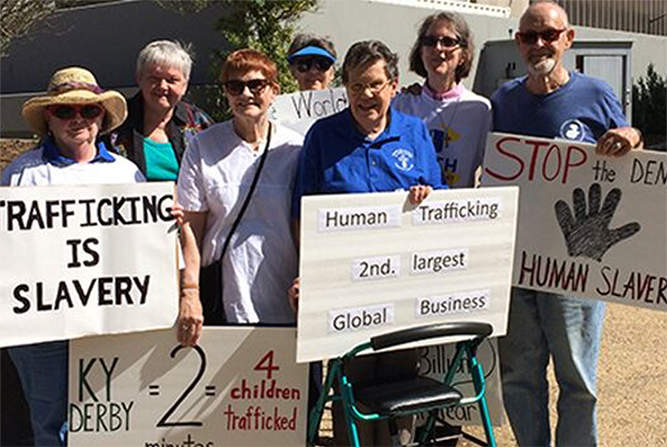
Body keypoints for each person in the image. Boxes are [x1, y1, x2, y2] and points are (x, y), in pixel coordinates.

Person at [491, 2, 643, 446]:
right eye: (529, 36)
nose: (539, 44)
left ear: (568, 39)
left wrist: (630, 136)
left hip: (575, 263)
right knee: (520, 374)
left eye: (549, 35)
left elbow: (631, 144)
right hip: (517, 261)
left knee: (577, 378)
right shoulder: (503, 100)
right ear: (518, 42)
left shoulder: (595, 93)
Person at [290, 40, 443, 447]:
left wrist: (429, 197)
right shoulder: (323, 136)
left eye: (375, 85)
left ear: (393, 85)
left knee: (401, 392)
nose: (366, 95)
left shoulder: (414, 133)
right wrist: (308, 275)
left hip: (404, 288)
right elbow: (301, 212)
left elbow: (441, 205)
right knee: (351, 391)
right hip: (345, 292)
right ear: (345, 89)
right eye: (356, 86)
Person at [2, 66, 144, 447]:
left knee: (110, 420)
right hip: (41, 327)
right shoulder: (21, 175)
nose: (77, 119)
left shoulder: (128, 174)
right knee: (49, 425)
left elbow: (139, 247)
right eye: (65, 111)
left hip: (110, 321)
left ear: (102, 117)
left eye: (88, 110)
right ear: (49, 117)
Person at [176, 49, 303, 346]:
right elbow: (191, 230)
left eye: (256, 85)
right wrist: (190, 292)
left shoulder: (297, 149)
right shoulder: (202, 147)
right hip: (223, 303)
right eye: (235, 86)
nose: (245, 93)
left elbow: (306, 225)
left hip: (287, 303)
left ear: (274, 90)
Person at [393, 11, 491, 188]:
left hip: (455, 211)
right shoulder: (402, 104)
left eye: (448, 42)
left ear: (463, 55)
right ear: (421, 51)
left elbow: (490, 171)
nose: (438, 48)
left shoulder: (481, 110)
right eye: (430, 42)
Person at [112, 40, 212, 181]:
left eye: (172, 80)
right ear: (139, 79)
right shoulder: (118, 121)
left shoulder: (198, 122)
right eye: (154, 79)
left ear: (185, 84)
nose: (163, 86)